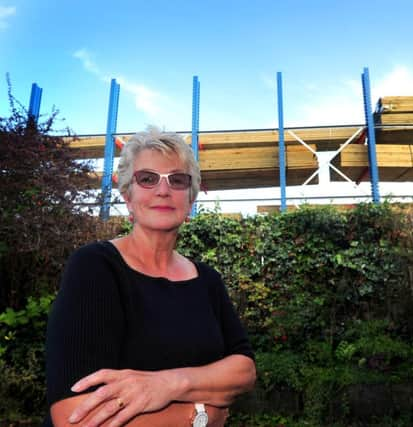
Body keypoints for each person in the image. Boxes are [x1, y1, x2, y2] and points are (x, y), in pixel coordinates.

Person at [44, 127, 256, 426]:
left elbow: (244, 369)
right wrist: (200, 415)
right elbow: (74, 416)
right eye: (148, 178)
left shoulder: (207, 279)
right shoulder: (95, 266)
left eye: (177, 179)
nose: (163, 190)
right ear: (128, 196)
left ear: (191, 198)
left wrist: (169, 384)